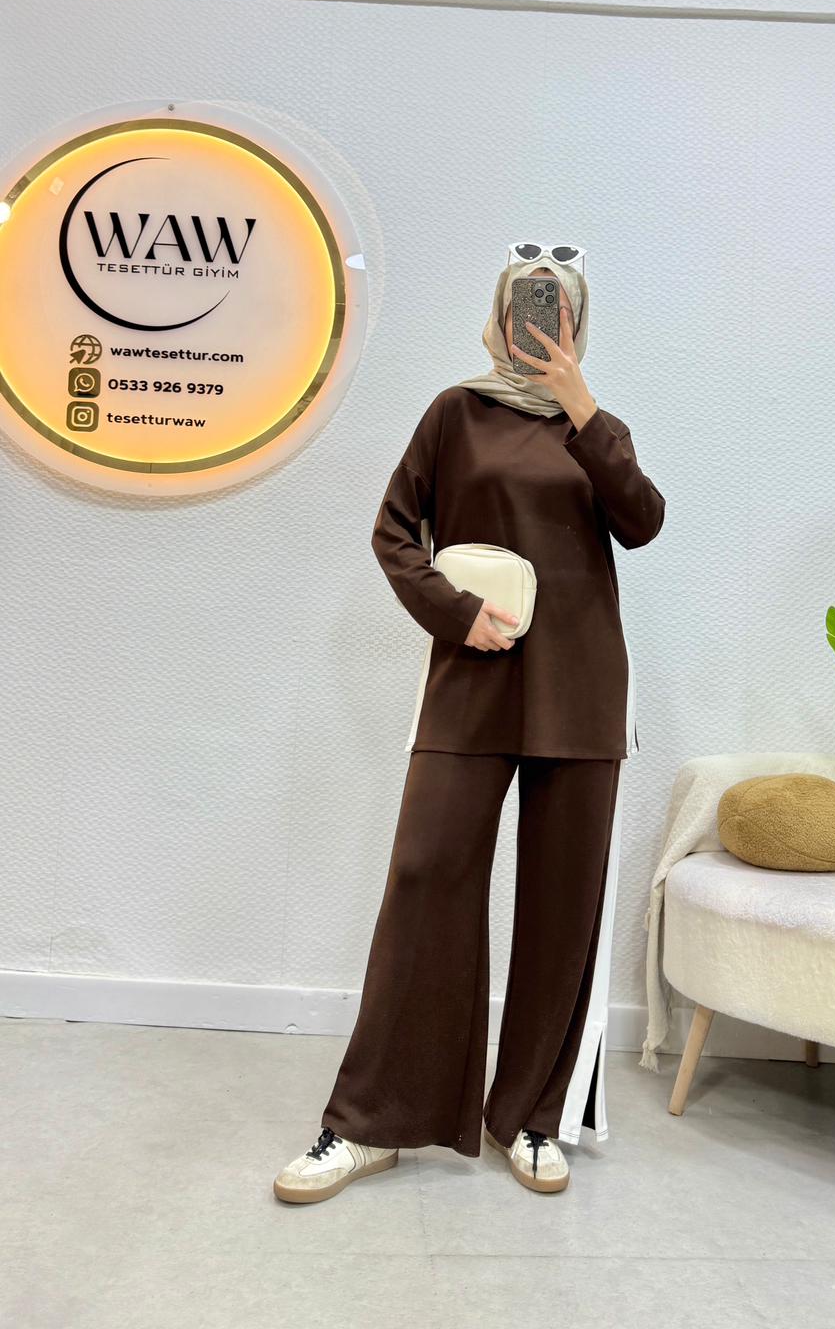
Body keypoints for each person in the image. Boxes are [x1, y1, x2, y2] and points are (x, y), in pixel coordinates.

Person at [273, 247, 665, 1203]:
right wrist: (456, 614)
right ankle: (368, 1123)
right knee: (426, 876)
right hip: (473, 678)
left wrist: (581, 406)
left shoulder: (594, 428)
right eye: (525, 308)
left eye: (557, 312)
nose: (538, 326)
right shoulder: (455, 413)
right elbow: (394, 532)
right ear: (496, 316)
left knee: (563, 905)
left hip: (581, 690)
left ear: (578, 325)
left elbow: (643, 521)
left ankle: (533, 1116)